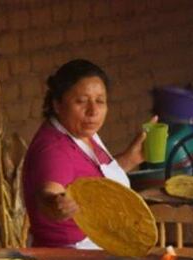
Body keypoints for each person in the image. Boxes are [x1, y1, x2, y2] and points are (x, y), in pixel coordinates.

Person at [21, 59, 152, 248]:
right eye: (81, 101)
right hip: (72, 257)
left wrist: (131, 158)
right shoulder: (54, 149)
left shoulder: (82, 133)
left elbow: (91, 178)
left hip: (98, 247)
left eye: (100, 101)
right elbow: (48, 194)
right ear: (57, 104)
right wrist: (55, 204)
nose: (93, 111)